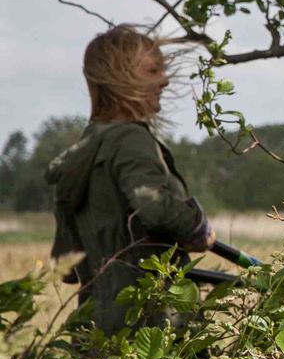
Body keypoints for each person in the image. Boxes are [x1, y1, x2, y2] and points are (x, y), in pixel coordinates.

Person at [45, 26, 215, 337]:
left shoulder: (84, 149)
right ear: (120, 77)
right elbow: (156, 209)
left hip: (94, 325)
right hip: (151, 323)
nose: (164, 80)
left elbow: (64, 262)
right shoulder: (131, 140)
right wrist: (197, 226)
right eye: (153, 70)